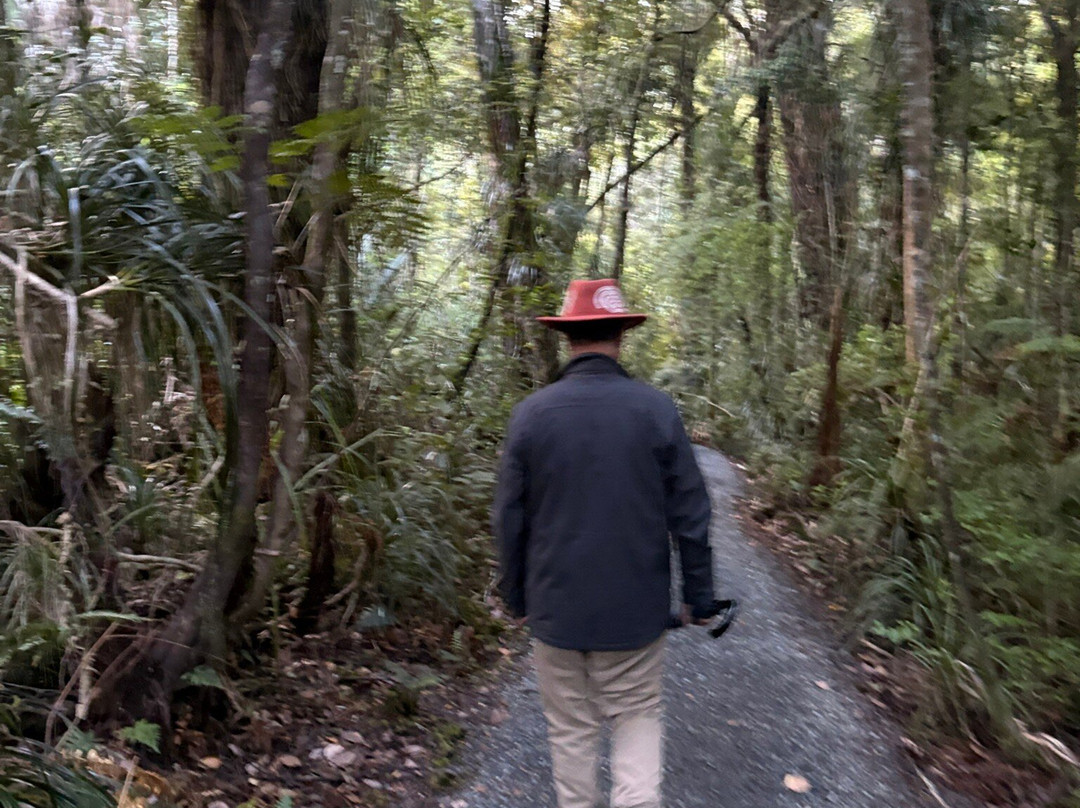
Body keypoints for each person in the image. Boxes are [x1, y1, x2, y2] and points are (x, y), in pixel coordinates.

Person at [492, 278, 715, 808]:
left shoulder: (531, 414)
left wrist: (516, 597)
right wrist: (699, 597)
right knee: (636, 716)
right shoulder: (656, 410)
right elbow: (692, 513)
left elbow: (508, 516)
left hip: (555, 608)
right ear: (621, 335)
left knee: (571, 731)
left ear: (569, 338)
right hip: (634, 612)